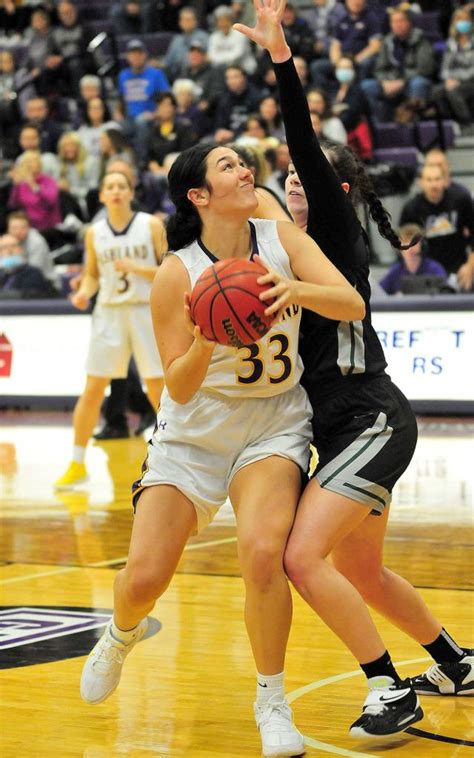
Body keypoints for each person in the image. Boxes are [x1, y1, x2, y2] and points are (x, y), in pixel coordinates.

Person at [79, 142, 365, 757]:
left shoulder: (281, 239)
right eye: (228, 166)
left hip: (274, 421)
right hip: (194, 430)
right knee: (144, 577)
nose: (244, 170)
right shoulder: (177, 273)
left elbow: (352, 303)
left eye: (243, 162)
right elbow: (178, 385)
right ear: (199, 196)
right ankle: (120, 633)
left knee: (264, 555)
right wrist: (208, 339)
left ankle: (271, 699)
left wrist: (292, 289)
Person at [236, 0, 473, 739]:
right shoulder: (278, 250)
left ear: (337, 192)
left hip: (371, 415)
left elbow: (301, 140)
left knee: (305, 560)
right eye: (291, 181)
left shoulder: (332, 235)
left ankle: (389, 689)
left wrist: (280, 58)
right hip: (334, 429)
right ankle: (456, 664)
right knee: (363, 574)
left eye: (311, 178)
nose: (296, 183)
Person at [54, 171, 167, 488]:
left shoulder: (151, 225)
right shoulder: (95, 232)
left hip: (145, 310)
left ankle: (174, 462)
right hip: (109, 313)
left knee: (158, 389)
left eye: (121, 186)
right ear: (101, 195)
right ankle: (77, 463)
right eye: (109, 187)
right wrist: (82, 293)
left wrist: (137, 268)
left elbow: (170, 270)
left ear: (131, 192)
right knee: (92, 389)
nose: (115, 191)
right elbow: (92, 275)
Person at [399, 162, 474, 291]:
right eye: (429, 180)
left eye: (437, 179)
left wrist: (470, 266)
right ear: (421, 182)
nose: (434, 184)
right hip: (427, 270)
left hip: (459, 266)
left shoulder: (461, 200)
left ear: (445, 181)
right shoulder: (411, 208)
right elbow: (403, 243)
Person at [361, 4, 435, 122]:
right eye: (393, 21)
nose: (397, 24)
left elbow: (424, 68)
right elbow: (379, 68)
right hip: (390, 83)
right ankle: (377, 126)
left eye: (401, 21)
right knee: (366, 86)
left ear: (409, 22)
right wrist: (385, 82)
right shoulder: (387, 41)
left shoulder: (421, 40)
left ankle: (415, 124)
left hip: (410, 82)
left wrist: (402, 81)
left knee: (419, 83)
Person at [379, 223, 448, 295]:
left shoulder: (435, 269)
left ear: (422, 245)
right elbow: (379, 293)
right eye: (404, 241)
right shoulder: (395, 271)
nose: (408, 246)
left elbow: (446, 293)